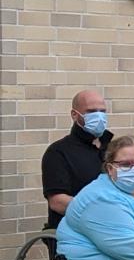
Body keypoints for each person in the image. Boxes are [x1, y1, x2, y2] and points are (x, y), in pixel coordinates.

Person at [42, 90, 113, 230]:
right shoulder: (58, 152)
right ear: (74, 115)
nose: (99, 116)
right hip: (76, 230)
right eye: (91, 111)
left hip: (116, 227)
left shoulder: (113, 149)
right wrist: (103, 212)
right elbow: (58, 202)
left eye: (102, 111)